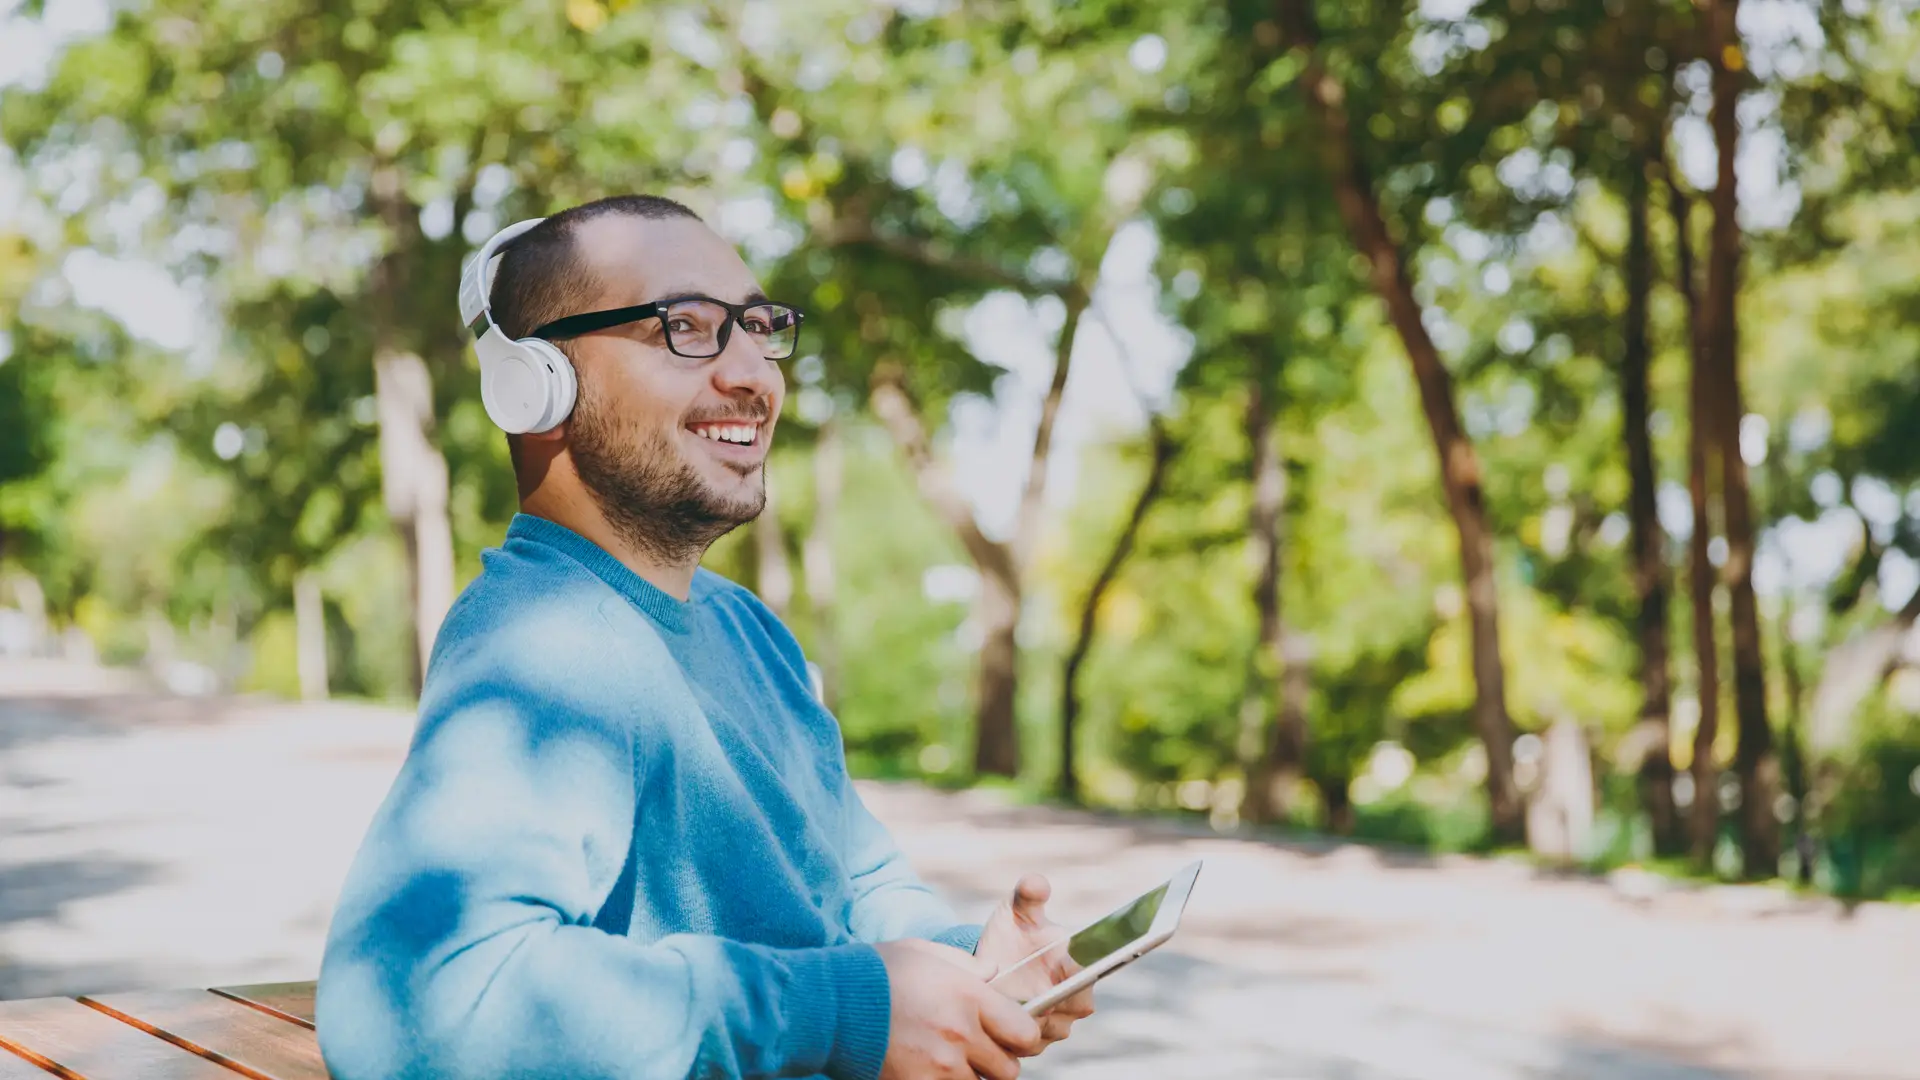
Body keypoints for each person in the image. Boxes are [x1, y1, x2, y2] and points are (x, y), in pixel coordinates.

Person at [315, 194, 1094, 1080]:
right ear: (533, 385)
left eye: (759, 328)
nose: (755, 373)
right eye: (685, 327)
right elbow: (414, 1004)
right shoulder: (546, 646)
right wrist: (846, 1010)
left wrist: (968, 964)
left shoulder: (747, 631)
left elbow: (854, 890)